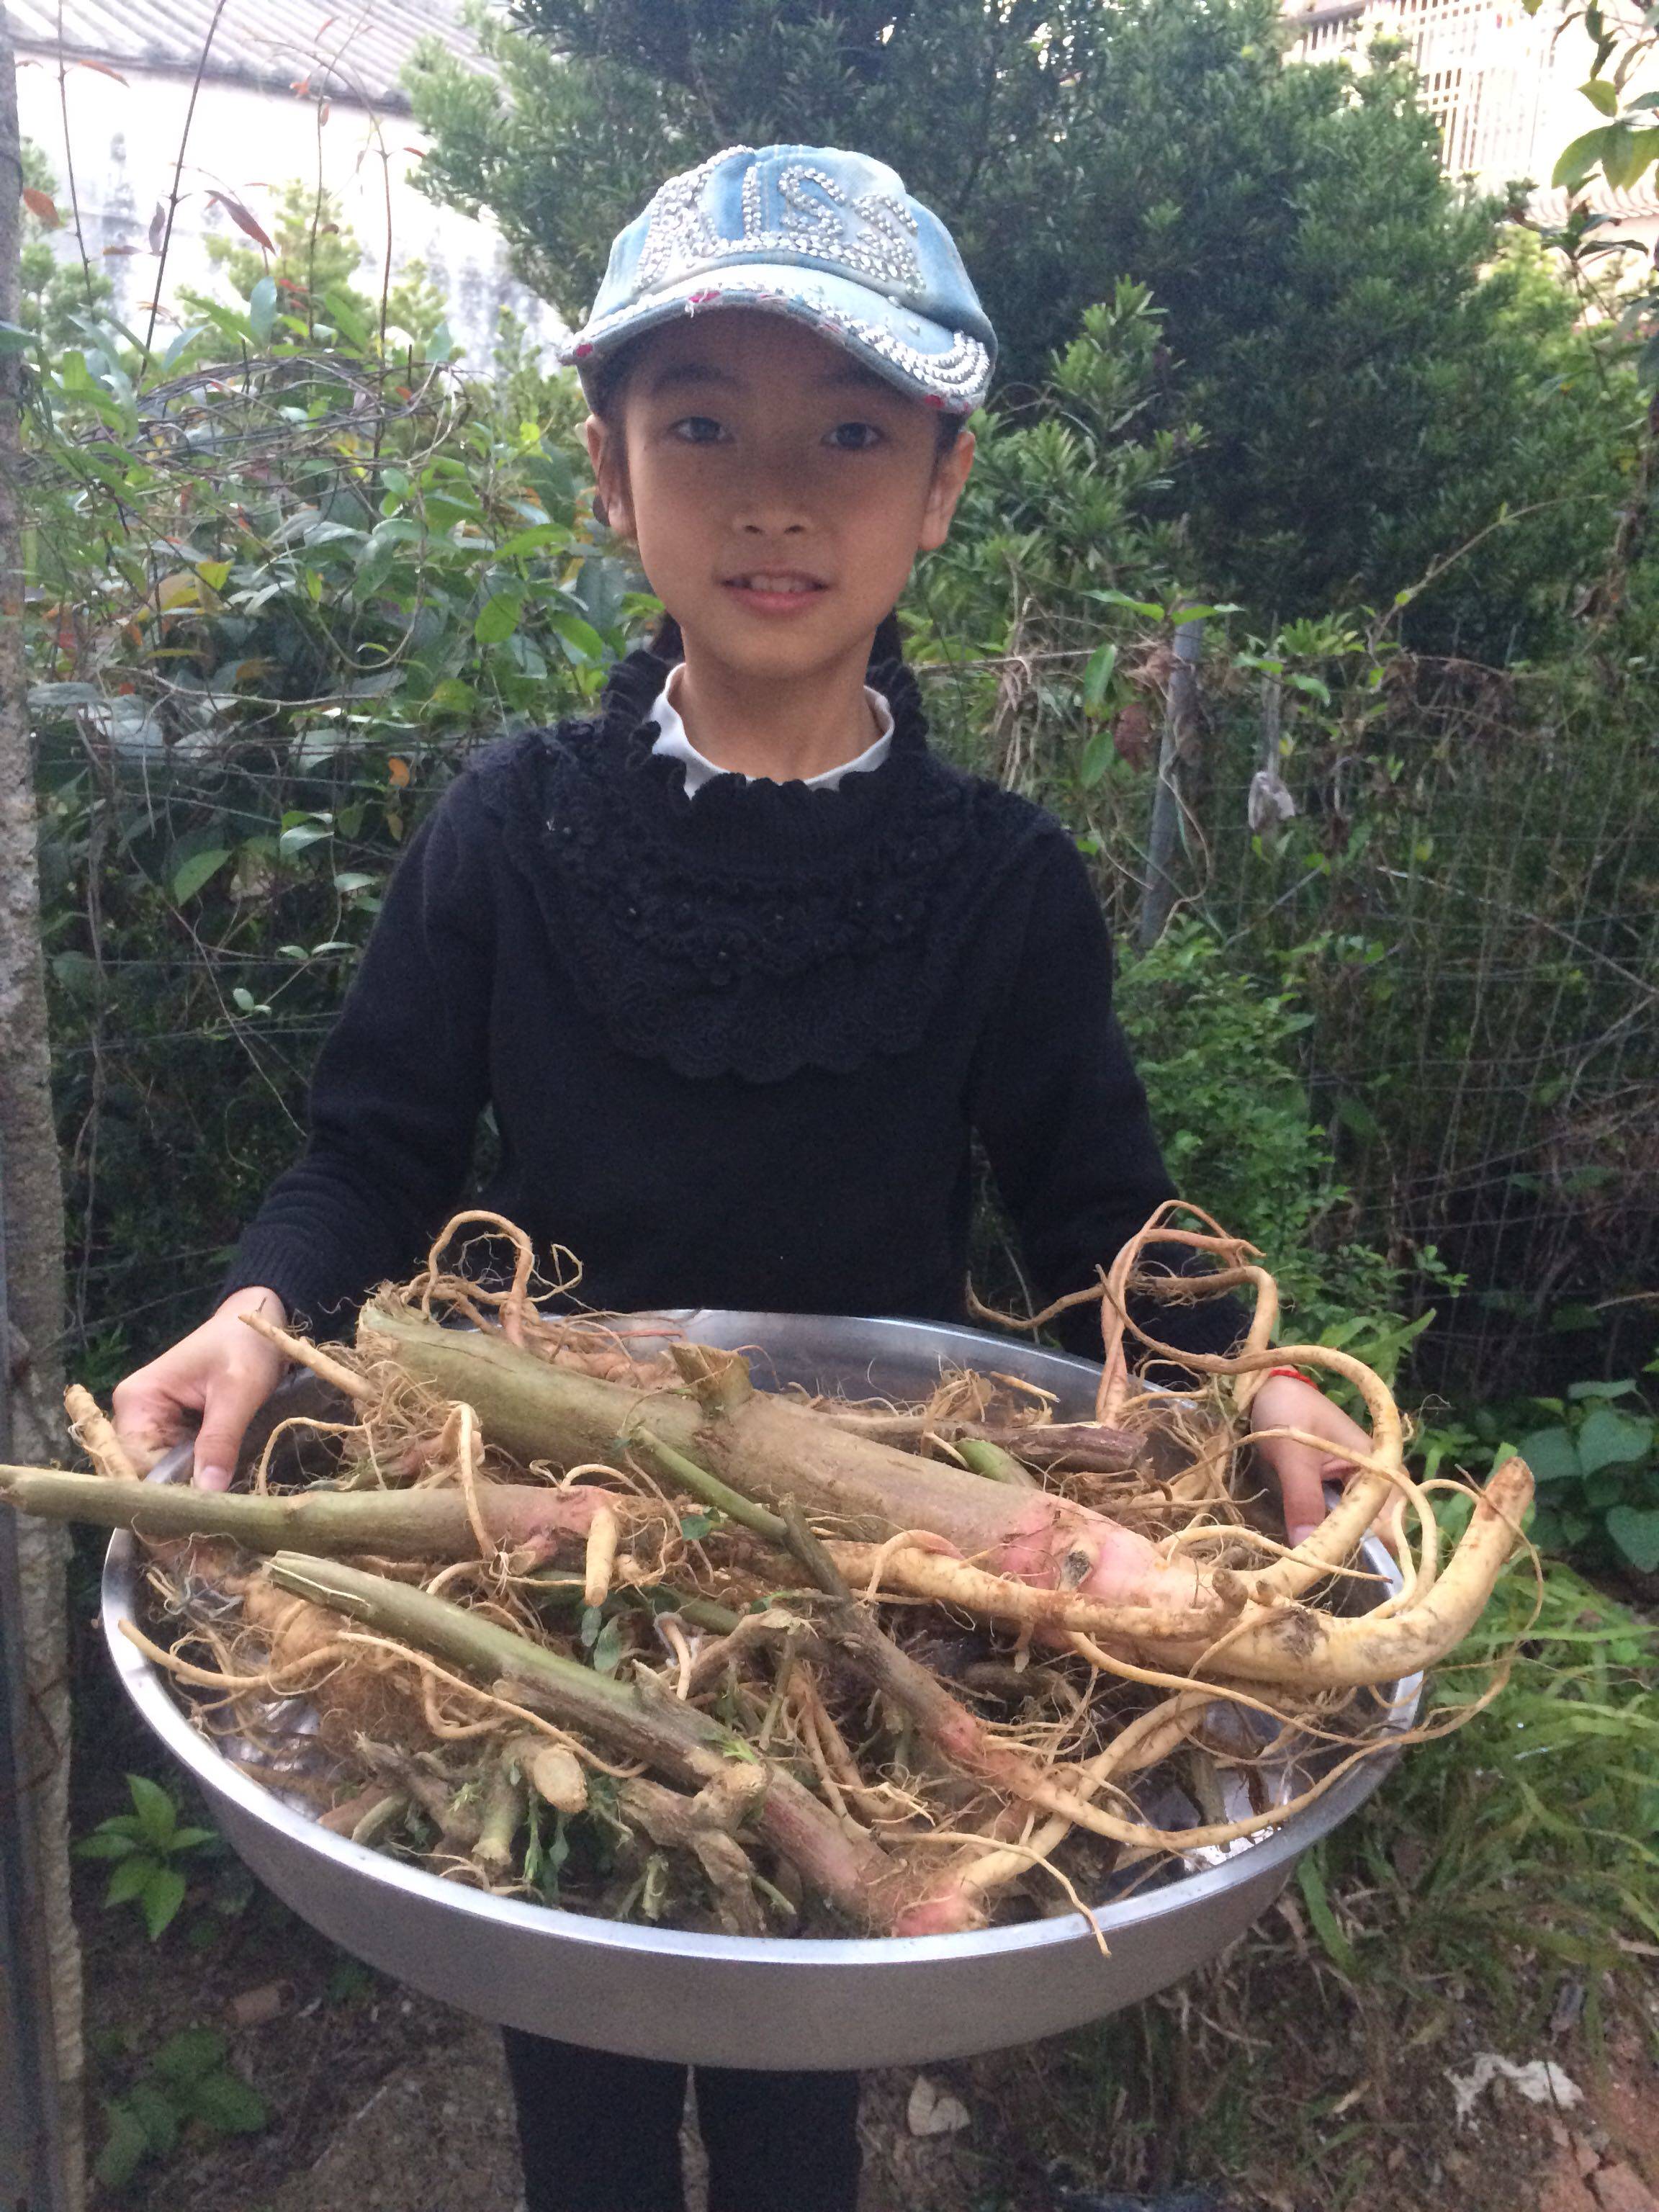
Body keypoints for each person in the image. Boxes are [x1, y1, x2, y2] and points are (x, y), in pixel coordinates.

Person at [113, 143, 1373, 2212]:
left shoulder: (1001, 889)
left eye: (851, 434)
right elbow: (375, 1152)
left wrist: (1267, 1376)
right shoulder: (513, 836)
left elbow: (1102, 1222)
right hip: (553, 1559)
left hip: (885, 1597)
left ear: (943, 487)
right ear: (612, 472)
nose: (775, 495)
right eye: (701, 425)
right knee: (582, 2030)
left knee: (809, 2052)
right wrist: (257, 1312)